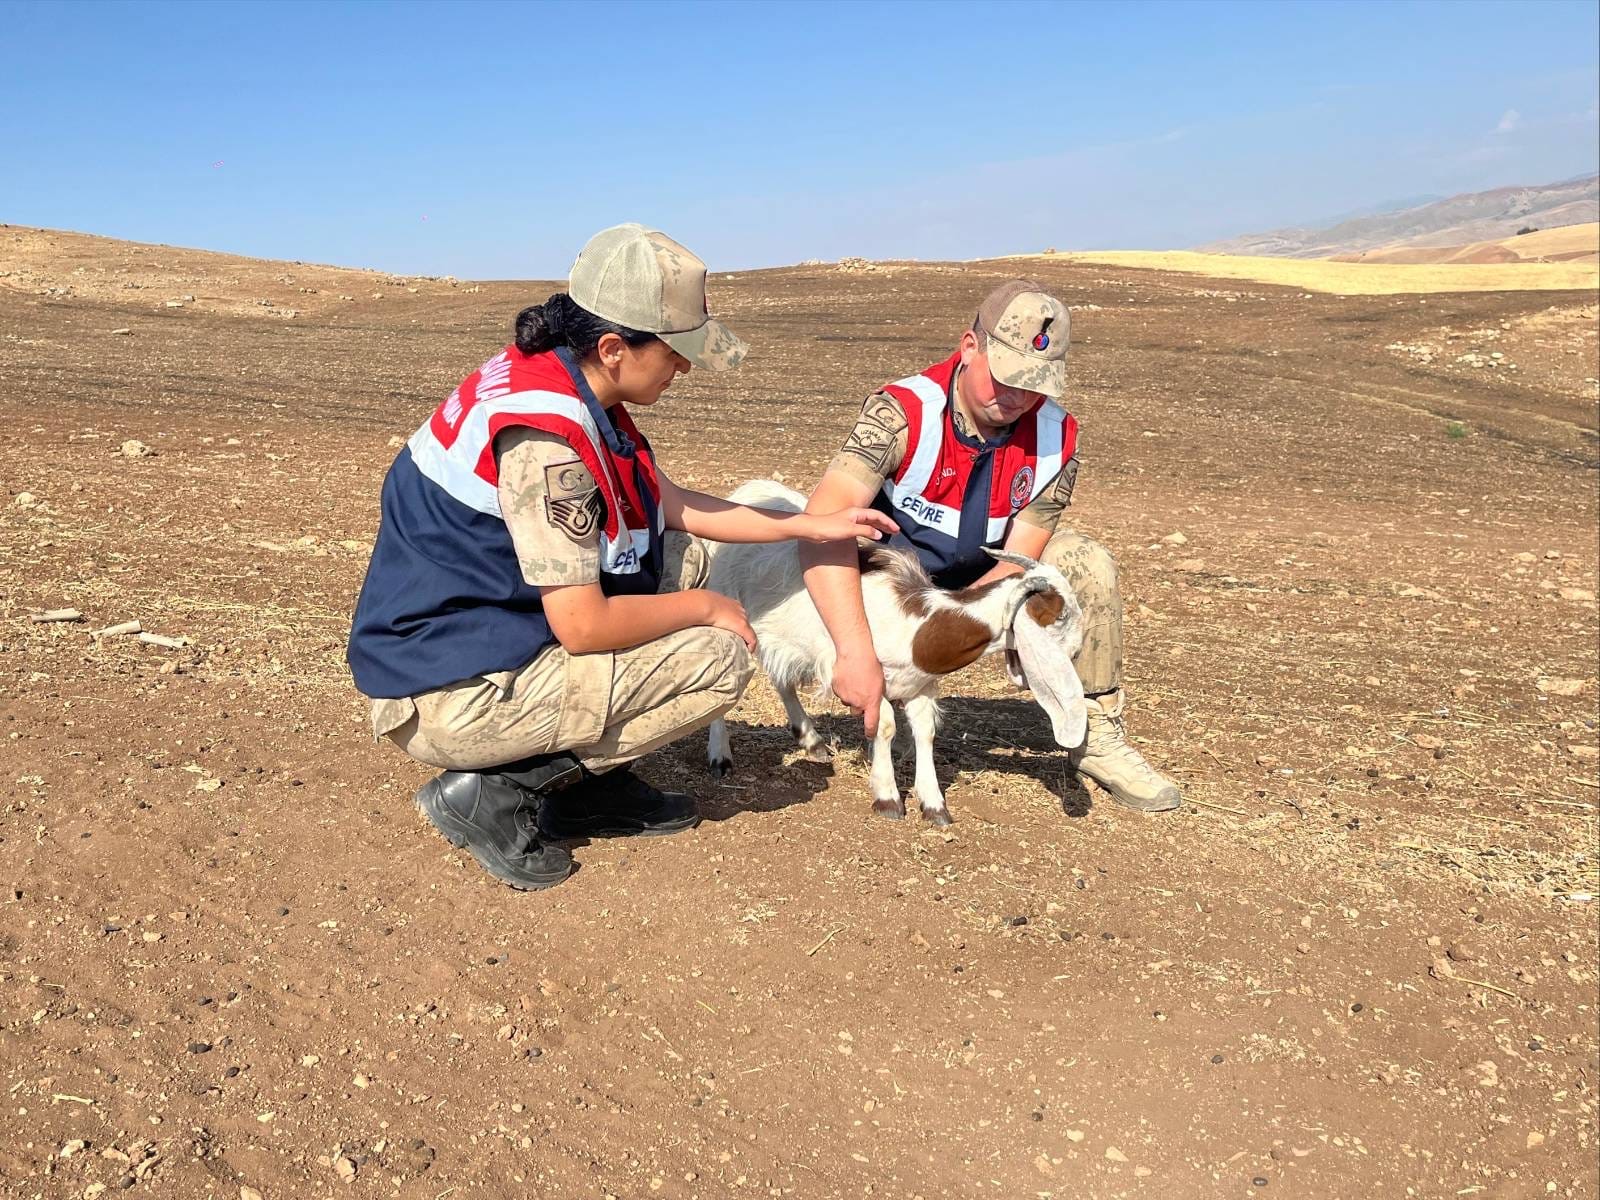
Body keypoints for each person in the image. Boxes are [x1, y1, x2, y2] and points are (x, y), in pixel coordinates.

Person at [347, 224, 895, 890]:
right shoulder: (550, 446)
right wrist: (706, 607)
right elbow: (582, 626)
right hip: (452, 689)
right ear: (613, 347)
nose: (685, 368)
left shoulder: (570, 380)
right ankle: (493, 795)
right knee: (717, 660)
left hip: (482, 629)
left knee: (687, 556)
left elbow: (670, 505)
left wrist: (811, 521)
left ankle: (589, 787)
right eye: (675, 352)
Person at [798, 278, 1182, 812]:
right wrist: (855, 649)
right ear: (969, 347)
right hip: (888, 582)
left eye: (1035, 384)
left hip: (976, 580)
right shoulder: (901, 412)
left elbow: (1025, 548)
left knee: (1084, 561)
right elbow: (823, 523)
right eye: (1004, 376)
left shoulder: (1057, 439)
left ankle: (1097, 736)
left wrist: (965, 622)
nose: (1017, 397)